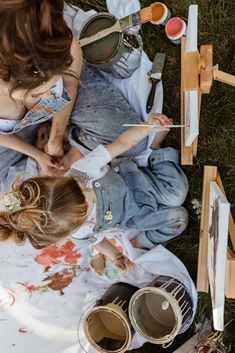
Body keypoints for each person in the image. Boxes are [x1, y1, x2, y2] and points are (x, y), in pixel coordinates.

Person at [0, 113, 189, 273]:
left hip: (137, 182)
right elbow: (97, 241)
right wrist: (116, 255)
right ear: (73, 226)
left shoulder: (82, 171)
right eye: (85, 208)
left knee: (178, 193)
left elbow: (121, 143)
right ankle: (141, 242)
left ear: (63, 180)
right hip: (134, 215)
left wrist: (147, 128)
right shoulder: (76, 231)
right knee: (179, 218)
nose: (89, 194)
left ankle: (156, 148)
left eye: (81, 190)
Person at [0, 0, 148, 190]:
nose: (46, 97)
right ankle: (58, 152)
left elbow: (69, 87)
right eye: (37, 94)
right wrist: (37, 155)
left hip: (66, 105)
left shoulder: (60, 46)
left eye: (51, 88)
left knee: (134, 140)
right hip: (13, 135)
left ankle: (69, 146)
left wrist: (57, 135)